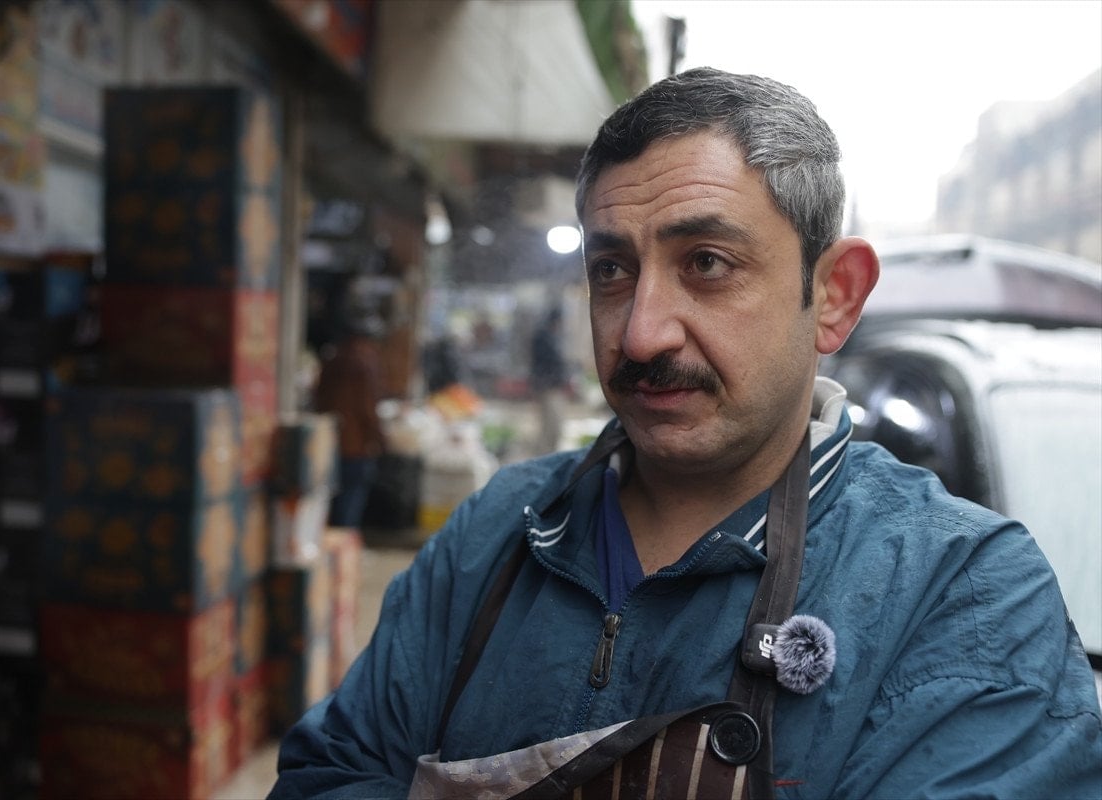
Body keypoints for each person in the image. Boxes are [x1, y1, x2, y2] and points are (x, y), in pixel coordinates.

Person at [272, 68, 1101, 799]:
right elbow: (332, 772)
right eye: (611, 270)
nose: (641, 334)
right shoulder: (497, 534)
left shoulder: (964, 593)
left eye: (706, 263)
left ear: (835, 296)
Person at [312, 314, 387, 529]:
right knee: (350, 501)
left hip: (329, 439)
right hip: (356, 445)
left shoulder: (332, 360)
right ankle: (344, 543)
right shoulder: (365, 363)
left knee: (331, 500)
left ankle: (333, 541)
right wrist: (379, 439)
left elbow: (319, 398)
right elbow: (367, 408)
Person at [529, 305, 572, 452]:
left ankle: (547, 451)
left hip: (551, 386)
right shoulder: (543, 338)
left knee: (553, 424)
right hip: (548, 388)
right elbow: (549, 363)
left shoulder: (550, 337)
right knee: (551, 424)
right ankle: (545, 453)